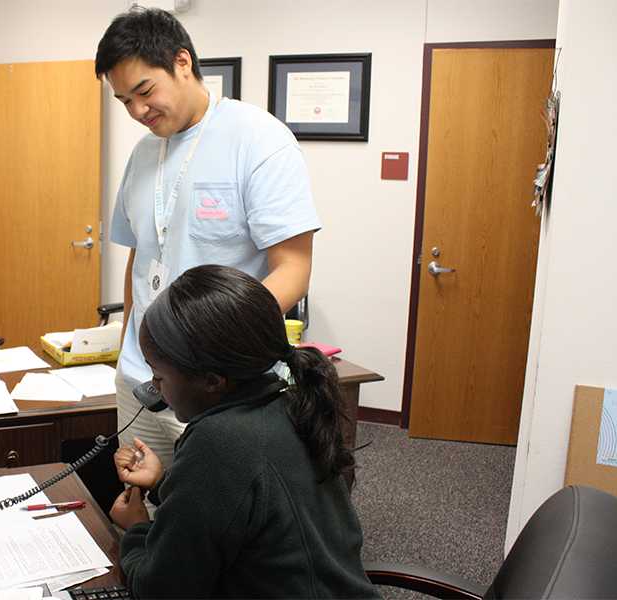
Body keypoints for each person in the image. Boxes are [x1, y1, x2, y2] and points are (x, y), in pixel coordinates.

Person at [95, 7, 321, 470]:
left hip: (218, 384)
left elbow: (294, 271)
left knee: (219, 525)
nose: (137, 111)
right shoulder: (141, 155)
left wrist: (206, 344)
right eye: (124, 101)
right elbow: (140, 258)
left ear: (182, 62)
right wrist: (128, 348)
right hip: (140, 379)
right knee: (145, 511)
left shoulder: (259, 140)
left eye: (144, 91)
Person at [108, 265, 379, 599]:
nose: (154, 388)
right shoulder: (292, 404)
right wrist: (163, 483)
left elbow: (160, 590)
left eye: (159, 377)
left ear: (211, 380)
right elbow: (251, 507)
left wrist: (135, 528)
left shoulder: (218, 439)